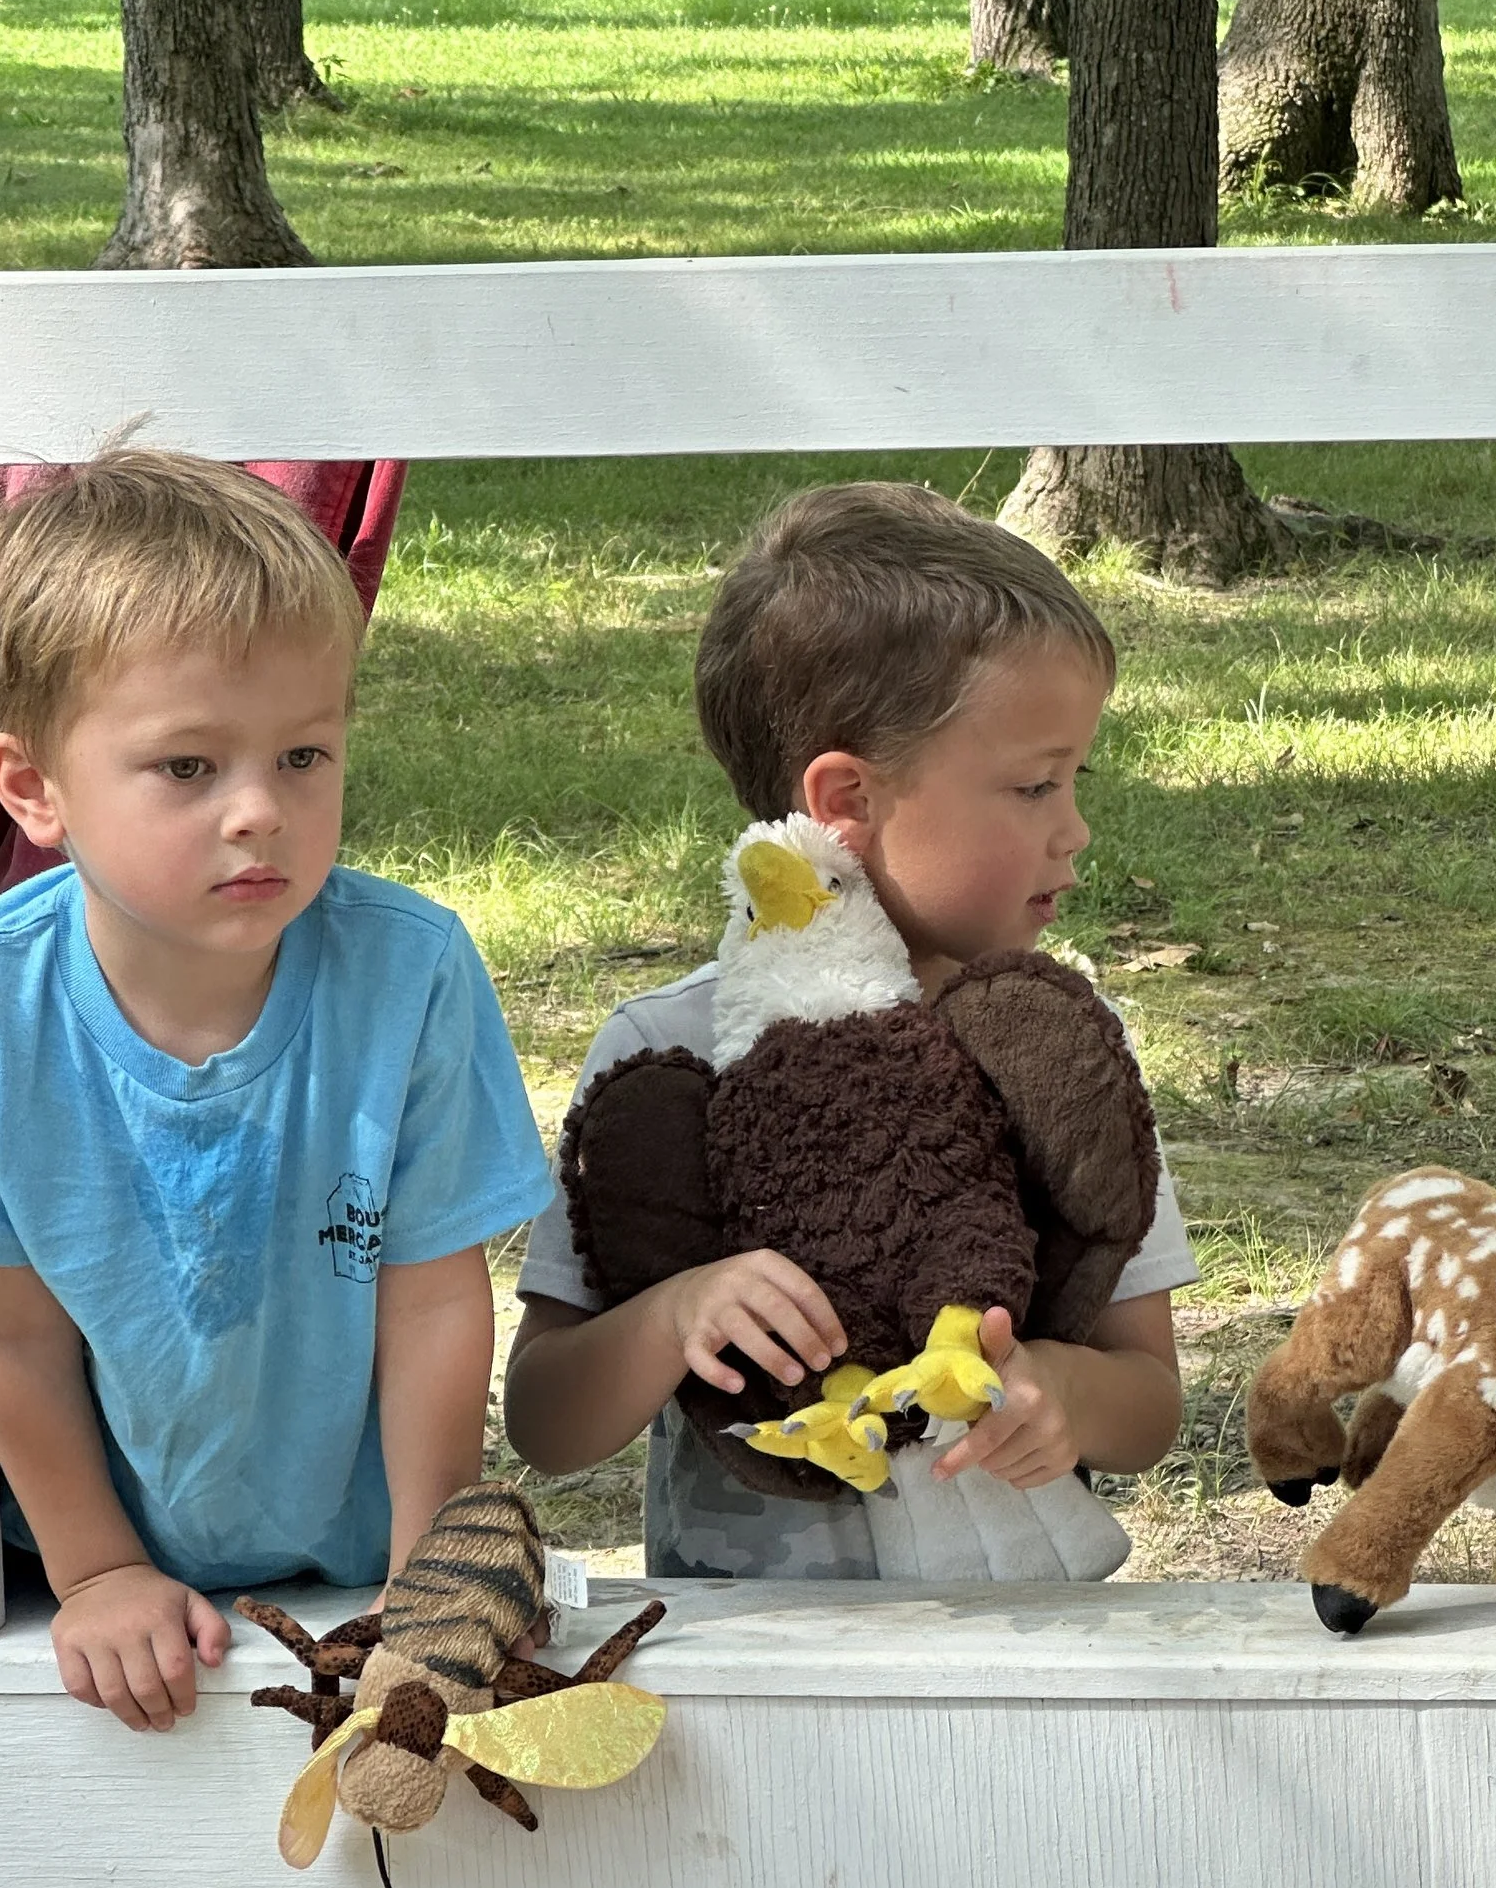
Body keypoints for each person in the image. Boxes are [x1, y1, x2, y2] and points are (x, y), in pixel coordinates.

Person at [0, 451, 550, 1730]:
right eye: (189, 768)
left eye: (304, 754)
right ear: (32, 787)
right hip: (103, 1557)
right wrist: (98, 1570)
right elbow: (8, 1331)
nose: (260, 811)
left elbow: (435, 1298)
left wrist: (431, 1579)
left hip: (364, 1541)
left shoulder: (409, 974)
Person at [505, 481, 1191, 1579]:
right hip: (758, 1675)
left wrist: (1060, 1396)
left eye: (1076, 780)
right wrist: (674, 1314)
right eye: (1032, 786)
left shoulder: (1055, 1048)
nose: (1075, 831)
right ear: (848, 800)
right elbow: (545, 1420)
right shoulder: (666, 1055)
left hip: (1023, 1660)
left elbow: (1149, 1398)